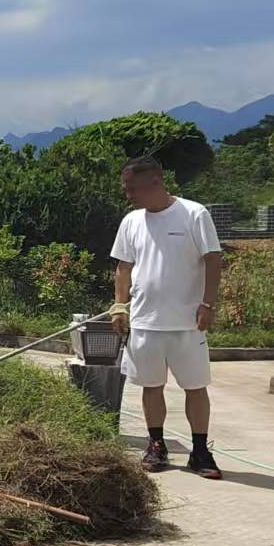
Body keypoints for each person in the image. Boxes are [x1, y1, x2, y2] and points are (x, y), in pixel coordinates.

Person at [110, 155, 224, 480]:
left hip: (188, 322)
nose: (129, 194)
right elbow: (123, 268)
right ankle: (156, 445)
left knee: (195, 386)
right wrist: (120, 306)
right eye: (126, 187)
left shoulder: (193, 213)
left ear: (156, 182)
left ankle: (200, 452)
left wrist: (208, 304)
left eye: (133, 187)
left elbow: (213, 260)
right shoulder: (131, 221)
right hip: (145, 322)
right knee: (151, 386)